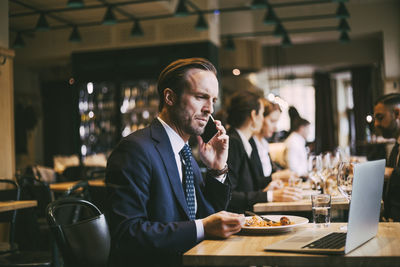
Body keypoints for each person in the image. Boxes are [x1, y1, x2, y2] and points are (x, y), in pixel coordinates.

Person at [106, 58, 244, 267]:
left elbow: (208, 216)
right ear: (170, 97)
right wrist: (202, 228)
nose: (209, 109)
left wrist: (216, 169)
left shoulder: (184, 151)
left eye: (213, 100)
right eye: (201, 97)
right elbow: (128, 234)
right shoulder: (135, 149)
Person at [226, 91, 302, 213]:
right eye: (261, 114)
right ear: (253, 116)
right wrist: (270, 195)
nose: (262, 119)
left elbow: (248, 186)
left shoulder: (241, 141)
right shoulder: (233, 143)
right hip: (241, 220)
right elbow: (228, 197)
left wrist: (268, 187)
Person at [250, 99, 297, 183]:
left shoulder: (264, 143)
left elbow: (270, 173)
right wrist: (278, 176)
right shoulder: (249, 144)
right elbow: (254, 183)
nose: (275, 127)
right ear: (260, 117)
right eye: (272, 121)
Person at [374, 93, 400, 221]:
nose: (376, 124)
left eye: (380, 117)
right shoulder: (396, 147)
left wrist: (390, 172)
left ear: (397, 114)